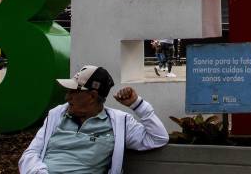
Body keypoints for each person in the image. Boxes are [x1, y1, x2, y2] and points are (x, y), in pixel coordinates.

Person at [19, 65, 168, 174]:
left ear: (92, 96)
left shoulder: (119, 123)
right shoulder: (57, 114)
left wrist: (138, 105)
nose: (67, 97)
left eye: (73, 91)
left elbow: (158, 138)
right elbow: (30, 154)